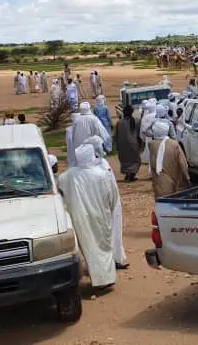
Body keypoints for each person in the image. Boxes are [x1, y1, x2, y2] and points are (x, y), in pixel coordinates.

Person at [57, 144, 118, 290]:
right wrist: (107, 209)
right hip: (101, 215)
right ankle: (105, 278)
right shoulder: (103, 174)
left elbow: (61, 195)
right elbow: (113, 196)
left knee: (89, 246)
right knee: (103, 245)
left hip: (80, 218)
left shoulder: (67, 176)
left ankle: (99, 277)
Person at [82, 136, 128, 269]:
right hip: (105, 206)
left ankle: (116, 257)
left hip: (112, 204)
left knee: (115, 231)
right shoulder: (94, 167)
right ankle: (108, 262)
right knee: (105, 233)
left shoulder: (102, 163)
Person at [148, 122, 191, 198]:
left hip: (159, 182)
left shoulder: (151, 145)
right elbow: (183, 164)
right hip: (175, 181)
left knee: (161, 202)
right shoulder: (174, 145)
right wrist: (187, 178)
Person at [115, 105, 141, 182]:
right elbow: (138, 134)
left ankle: (127, 175)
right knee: (135, 161)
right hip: (133, 145)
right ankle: (131, 176)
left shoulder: (119, 123)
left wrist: (117, 146)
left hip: (122, 145)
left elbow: (116, 135)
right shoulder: (135, 121)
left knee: (125, 161)